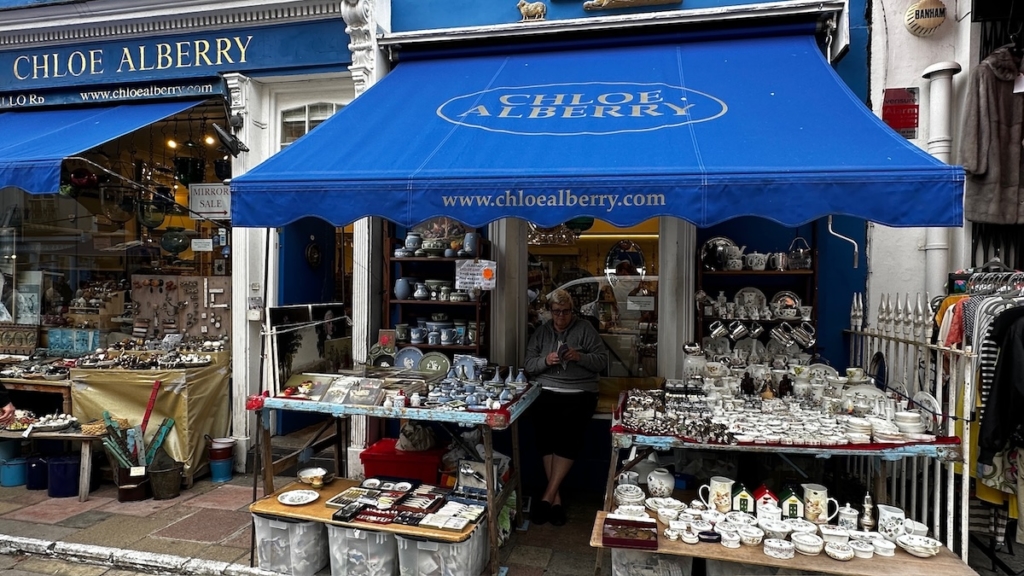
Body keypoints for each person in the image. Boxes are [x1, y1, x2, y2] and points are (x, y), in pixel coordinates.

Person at [523, 289, 609, 526]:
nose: (561, 316)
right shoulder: (541, 332)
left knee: (568, 437)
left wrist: (579, 357)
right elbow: (528, 365)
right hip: (546, 390)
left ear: (573, 311)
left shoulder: (585, 330)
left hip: (580, 392)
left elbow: (602, 361)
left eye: (566, 311)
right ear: (550, 312)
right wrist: (545, 361)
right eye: (556, 311)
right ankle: (556, 499)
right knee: (545, 438)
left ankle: (547, 496)